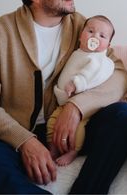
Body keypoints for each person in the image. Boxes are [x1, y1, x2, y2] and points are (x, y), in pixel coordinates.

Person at [0, 0, 127, 195]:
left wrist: (77, 107)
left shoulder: (84, 27)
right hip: (16, 133)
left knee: (124, 115)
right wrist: (25, 140)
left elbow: (119, 74)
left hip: (74, 130)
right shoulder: (1, 32)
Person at [47, 15, 115, 166]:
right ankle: (52, 148)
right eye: (90, 31)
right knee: (52, 123)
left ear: (108, 46)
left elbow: (90, 73)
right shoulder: (76, 53)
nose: (95, 37)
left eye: (102, 36)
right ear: (80, 36)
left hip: (82, 103)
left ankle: (73, 151)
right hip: (63, 103)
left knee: (78, 129)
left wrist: (77, 83)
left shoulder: (98, 59)